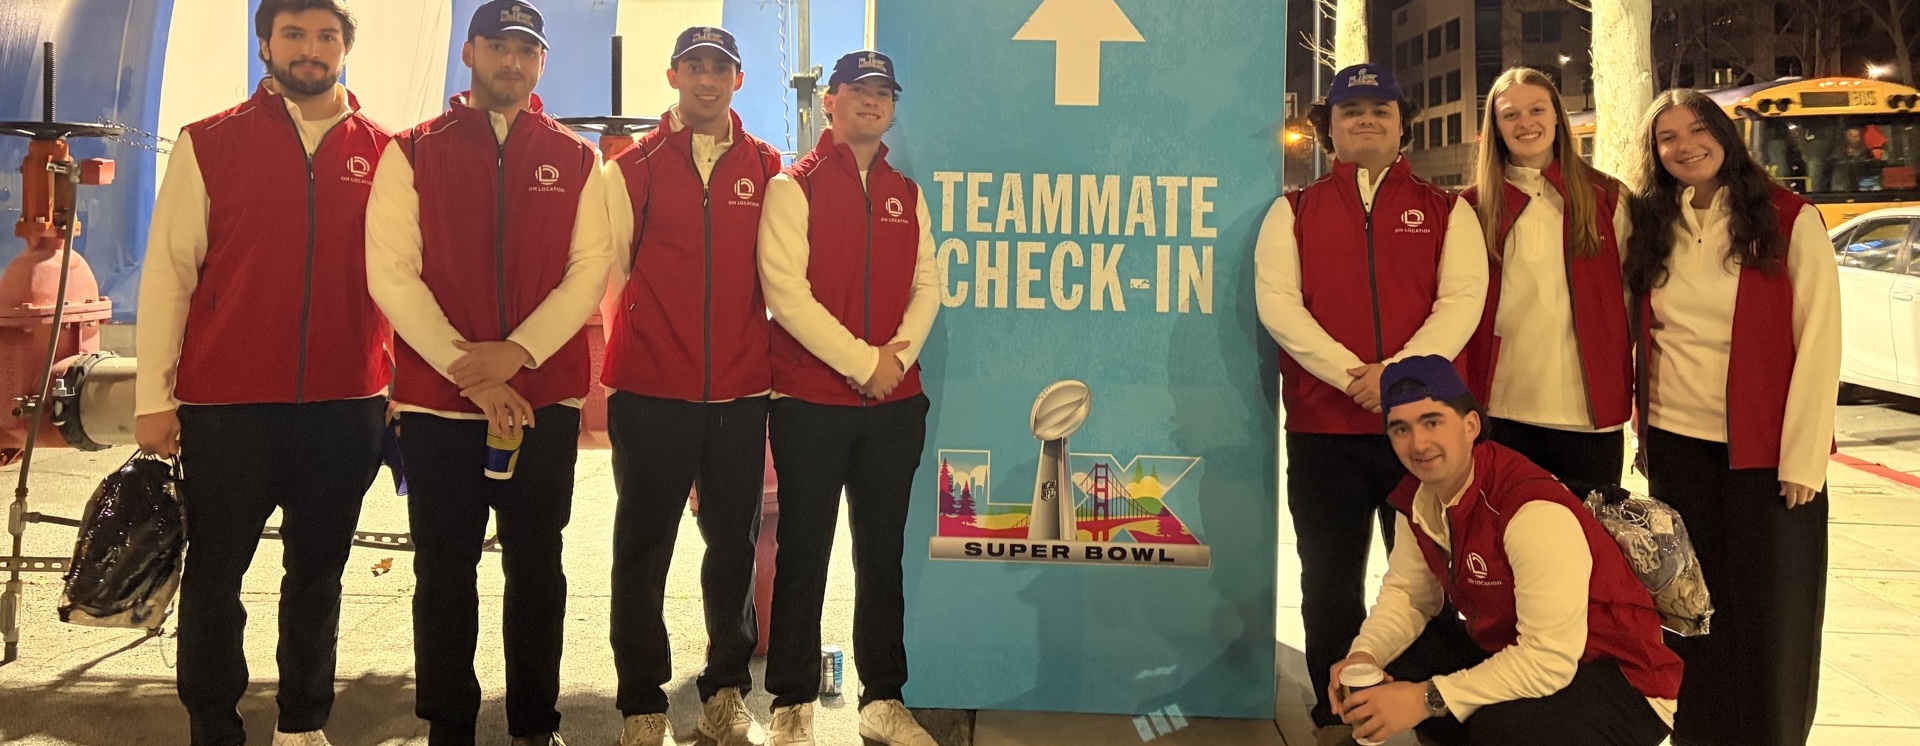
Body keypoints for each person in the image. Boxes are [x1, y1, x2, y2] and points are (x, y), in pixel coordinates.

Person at [135, 1, 389, 743]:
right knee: (215, 579)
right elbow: (168, 277)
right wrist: (156, 397)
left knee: (318, 579)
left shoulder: (384, 152)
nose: (310, 50)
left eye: (326, 37)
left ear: (345, 48)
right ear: (265, 44)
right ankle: (214, 724)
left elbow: (402, 278)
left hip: (346, 406)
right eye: (294, 35)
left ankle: (303, 722)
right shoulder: (208, 143)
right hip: (228, 408)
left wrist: (397, 385)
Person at [364, 2, 613, 743]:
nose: (512, 62)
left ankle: (535, 723)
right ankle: (450, 725)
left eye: (526, 51)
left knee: (538, 571)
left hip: (543, 403)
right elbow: (392, 274)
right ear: (470, 52)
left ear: (540, 62)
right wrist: (471, 371)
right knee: (444, 575)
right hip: (440, 408)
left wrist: (520, 353)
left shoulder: (576, 158)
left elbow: (588, 270)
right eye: (499, 47)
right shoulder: (411, 152)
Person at [1253, 62, 1488, 745]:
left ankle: (1435, 712)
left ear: (1401, 123)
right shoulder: (1290, 210)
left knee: (1433, 585)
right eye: (1351, 111)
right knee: (1330, 582)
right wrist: (1356, 374)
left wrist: (1398, 377)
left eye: (1379, 110)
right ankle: (1337, 716)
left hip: (1424, 434)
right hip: (1325, 430)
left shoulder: (1450, 211)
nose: (1365, 120)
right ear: (1328, 128)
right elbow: (1280, 308)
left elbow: (1461, 301)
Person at [1623, 89, 1840, 746]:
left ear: (1725, 134)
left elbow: (1819, 339)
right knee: (1692, 612)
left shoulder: (1786, 218)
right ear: (1655, 152)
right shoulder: (1652, 222)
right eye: (1668, 138)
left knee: (1773, 616)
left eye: (1697, 130)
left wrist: (1804, 457)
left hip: (1766, 451)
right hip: (1677, 446)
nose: (1685, 146)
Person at [1328, 356, 1682, 746]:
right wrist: (1364, 657)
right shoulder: (1420, 497)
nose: (1418, 443)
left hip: (1620, 677)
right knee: (1397, 659)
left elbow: (1549, 660)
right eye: (1400, 429)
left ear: (1470, 425)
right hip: (1519, 647)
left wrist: (1426, 698)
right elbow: (1409, 596)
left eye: (1432, 422)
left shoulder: (1529, 510)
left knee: (1502, 729)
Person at [603, 25, 784, 746]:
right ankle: (641, 701)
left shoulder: (770, 167)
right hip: (650, 393)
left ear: (737, 80)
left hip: (738, 395)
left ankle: (726, 690)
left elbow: (781, 279)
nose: (707, 81)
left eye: (721, 69)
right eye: (695, 67)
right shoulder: (635, 166)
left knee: (732, 549)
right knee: (642, 548)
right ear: (674, 75)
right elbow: (612, 269)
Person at [755, 49, 941, 746]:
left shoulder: (905, 193)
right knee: (805, 548)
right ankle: (792, 703)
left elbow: (929, 286)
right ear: (828, 101)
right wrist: (865, 361)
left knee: (881, 554)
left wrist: (894, 361)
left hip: (894, 407)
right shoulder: (791, 187)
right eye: (857, 90)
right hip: (809, 403)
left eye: (883, 92)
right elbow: (786, 295)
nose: (871, 100)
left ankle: (882, 698)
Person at [1459, 67, 1633, 487]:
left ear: (1558, 116)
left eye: (1537, 109)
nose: (1526, 123)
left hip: (1587, 414)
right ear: (1496, 128)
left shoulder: (1609, 199)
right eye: (1510, 115)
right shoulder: (1471, 208)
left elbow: (1633, 302)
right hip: (1501, 409)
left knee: (1589, 543)